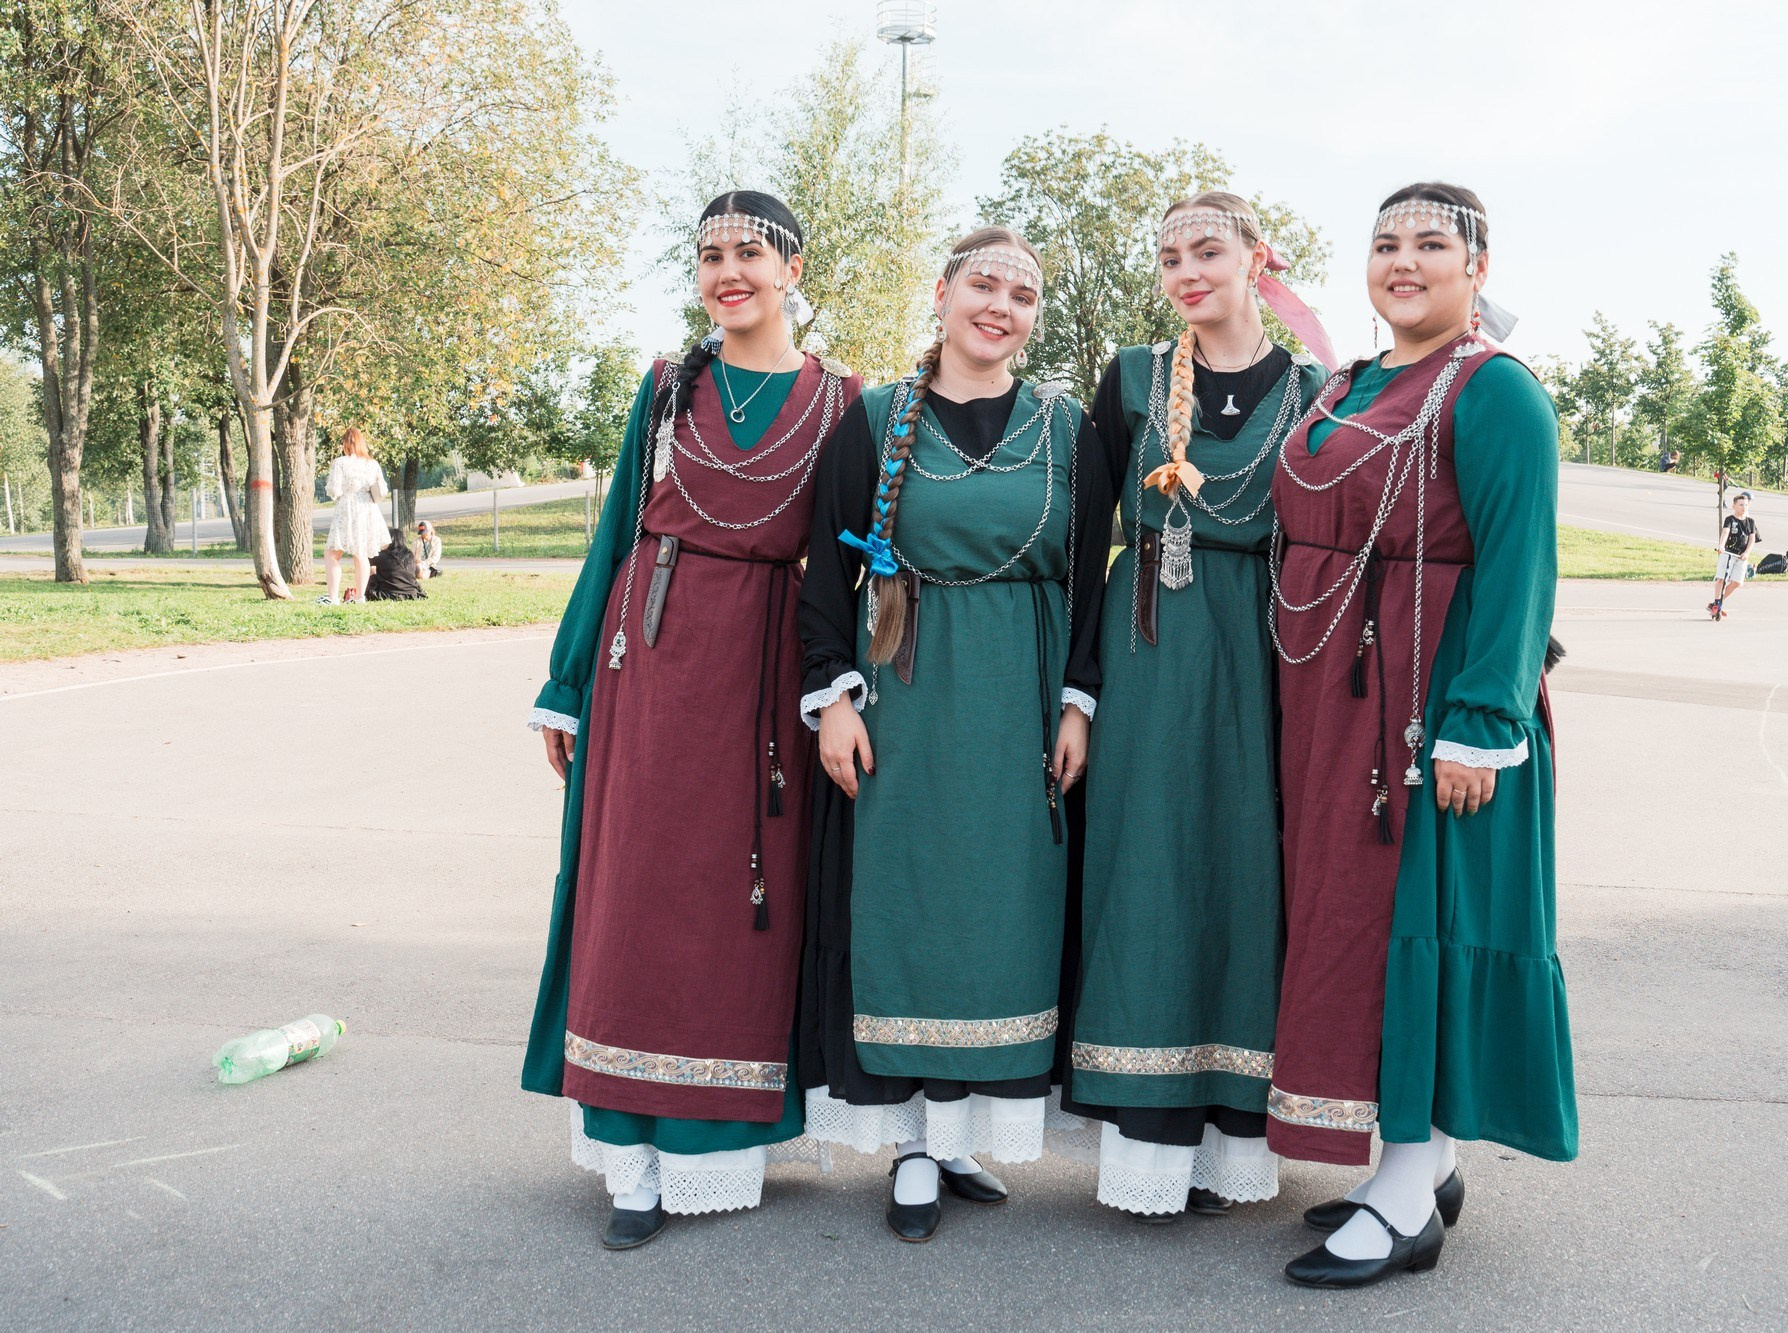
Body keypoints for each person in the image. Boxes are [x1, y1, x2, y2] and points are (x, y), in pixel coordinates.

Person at [521, 191, 862, 1250]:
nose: (728, 272)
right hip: (652, 661)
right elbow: (617, 527)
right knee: (636, 891)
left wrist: (840, 690)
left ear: (792, 270)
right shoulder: (668, 388)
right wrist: (567, 678)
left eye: (749, 253)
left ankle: (714, 1148)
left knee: (740, 901)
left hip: (766, 672)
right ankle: (627, 1152)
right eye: (709, 255)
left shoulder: (846, 402)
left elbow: (853, 560)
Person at [1268, 183, 1574, 1289]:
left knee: (1412, 927)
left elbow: (1518, 567)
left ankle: (1405, 1198)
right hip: (1336, 704)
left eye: (1430, 244)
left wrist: (1476, 726)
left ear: (1474, 270)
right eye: (1385, 242)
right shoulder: (1352, 381)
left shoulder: (1493, 392)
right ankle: (1421, 1158)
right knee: (1355, 927)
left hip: (1429, 708)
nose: (1404, 261)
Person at [797, 227, 1113, 1243]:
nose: (1001, 306)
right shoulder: (876, 418)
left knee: (1004, 903)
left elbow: (1090, 582)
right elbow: (820, 577)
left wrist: (1076, 701)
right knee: (912, 897)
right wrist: (832, 699)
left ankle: (967, 1131)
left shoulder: (1067, 428)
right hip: (904, 688)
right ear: (941, 293)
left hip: (1019, 688)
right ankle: (914, 1147)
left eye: (1021, 294)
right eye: (983, 284)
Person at [1061, 192, 1330, 1222]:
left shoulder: (1317, 390)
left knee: (1247, 875)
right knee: (1147, 870)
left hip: (1265, 657)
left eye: (1206, 250)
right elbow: (1087, 545)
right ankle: (1148, 1136)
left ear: (1257, 258)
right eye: (1168, 254)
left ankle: (1234, 1140)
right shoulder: (1132, 379)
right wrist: (1076, 692)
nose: (1185, 269)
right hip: (1148, 655)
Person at [320, 427, 390, 604]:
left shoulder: (341, 462)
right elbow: (382, 489)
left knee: (332, 554)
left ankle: (333, 597)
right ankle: (360, 597)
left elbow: (334, 489)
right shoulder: (372, 464)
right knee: (361, 554)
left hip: (348, 508)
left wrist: (338, 492)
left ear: (345, 443)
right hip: (367, 509)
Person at [1709, 492, 1759, 619]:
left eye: (1746, 505)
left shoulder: (1750, 522)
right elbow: (1725, 532)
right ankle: (1717, 603)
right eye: (1741, 504)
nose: (1744, 507)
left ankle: (1717, 602)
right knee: (1721, 578)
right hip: (1728, 553)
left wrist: (1746, 553)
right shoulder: (1730, 520)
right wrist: (1721, 545)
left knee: (1737, 582)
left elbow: (1752, 539)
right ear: (1734, 506)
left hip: (1741, 556)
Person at [365, 527, 425, 600]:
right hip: (411, 593)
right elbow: (416, 571)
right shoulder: (409, 555)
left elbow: (364, 562)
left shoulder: (381, 556)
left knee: (370, 570)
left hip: (389, 593)